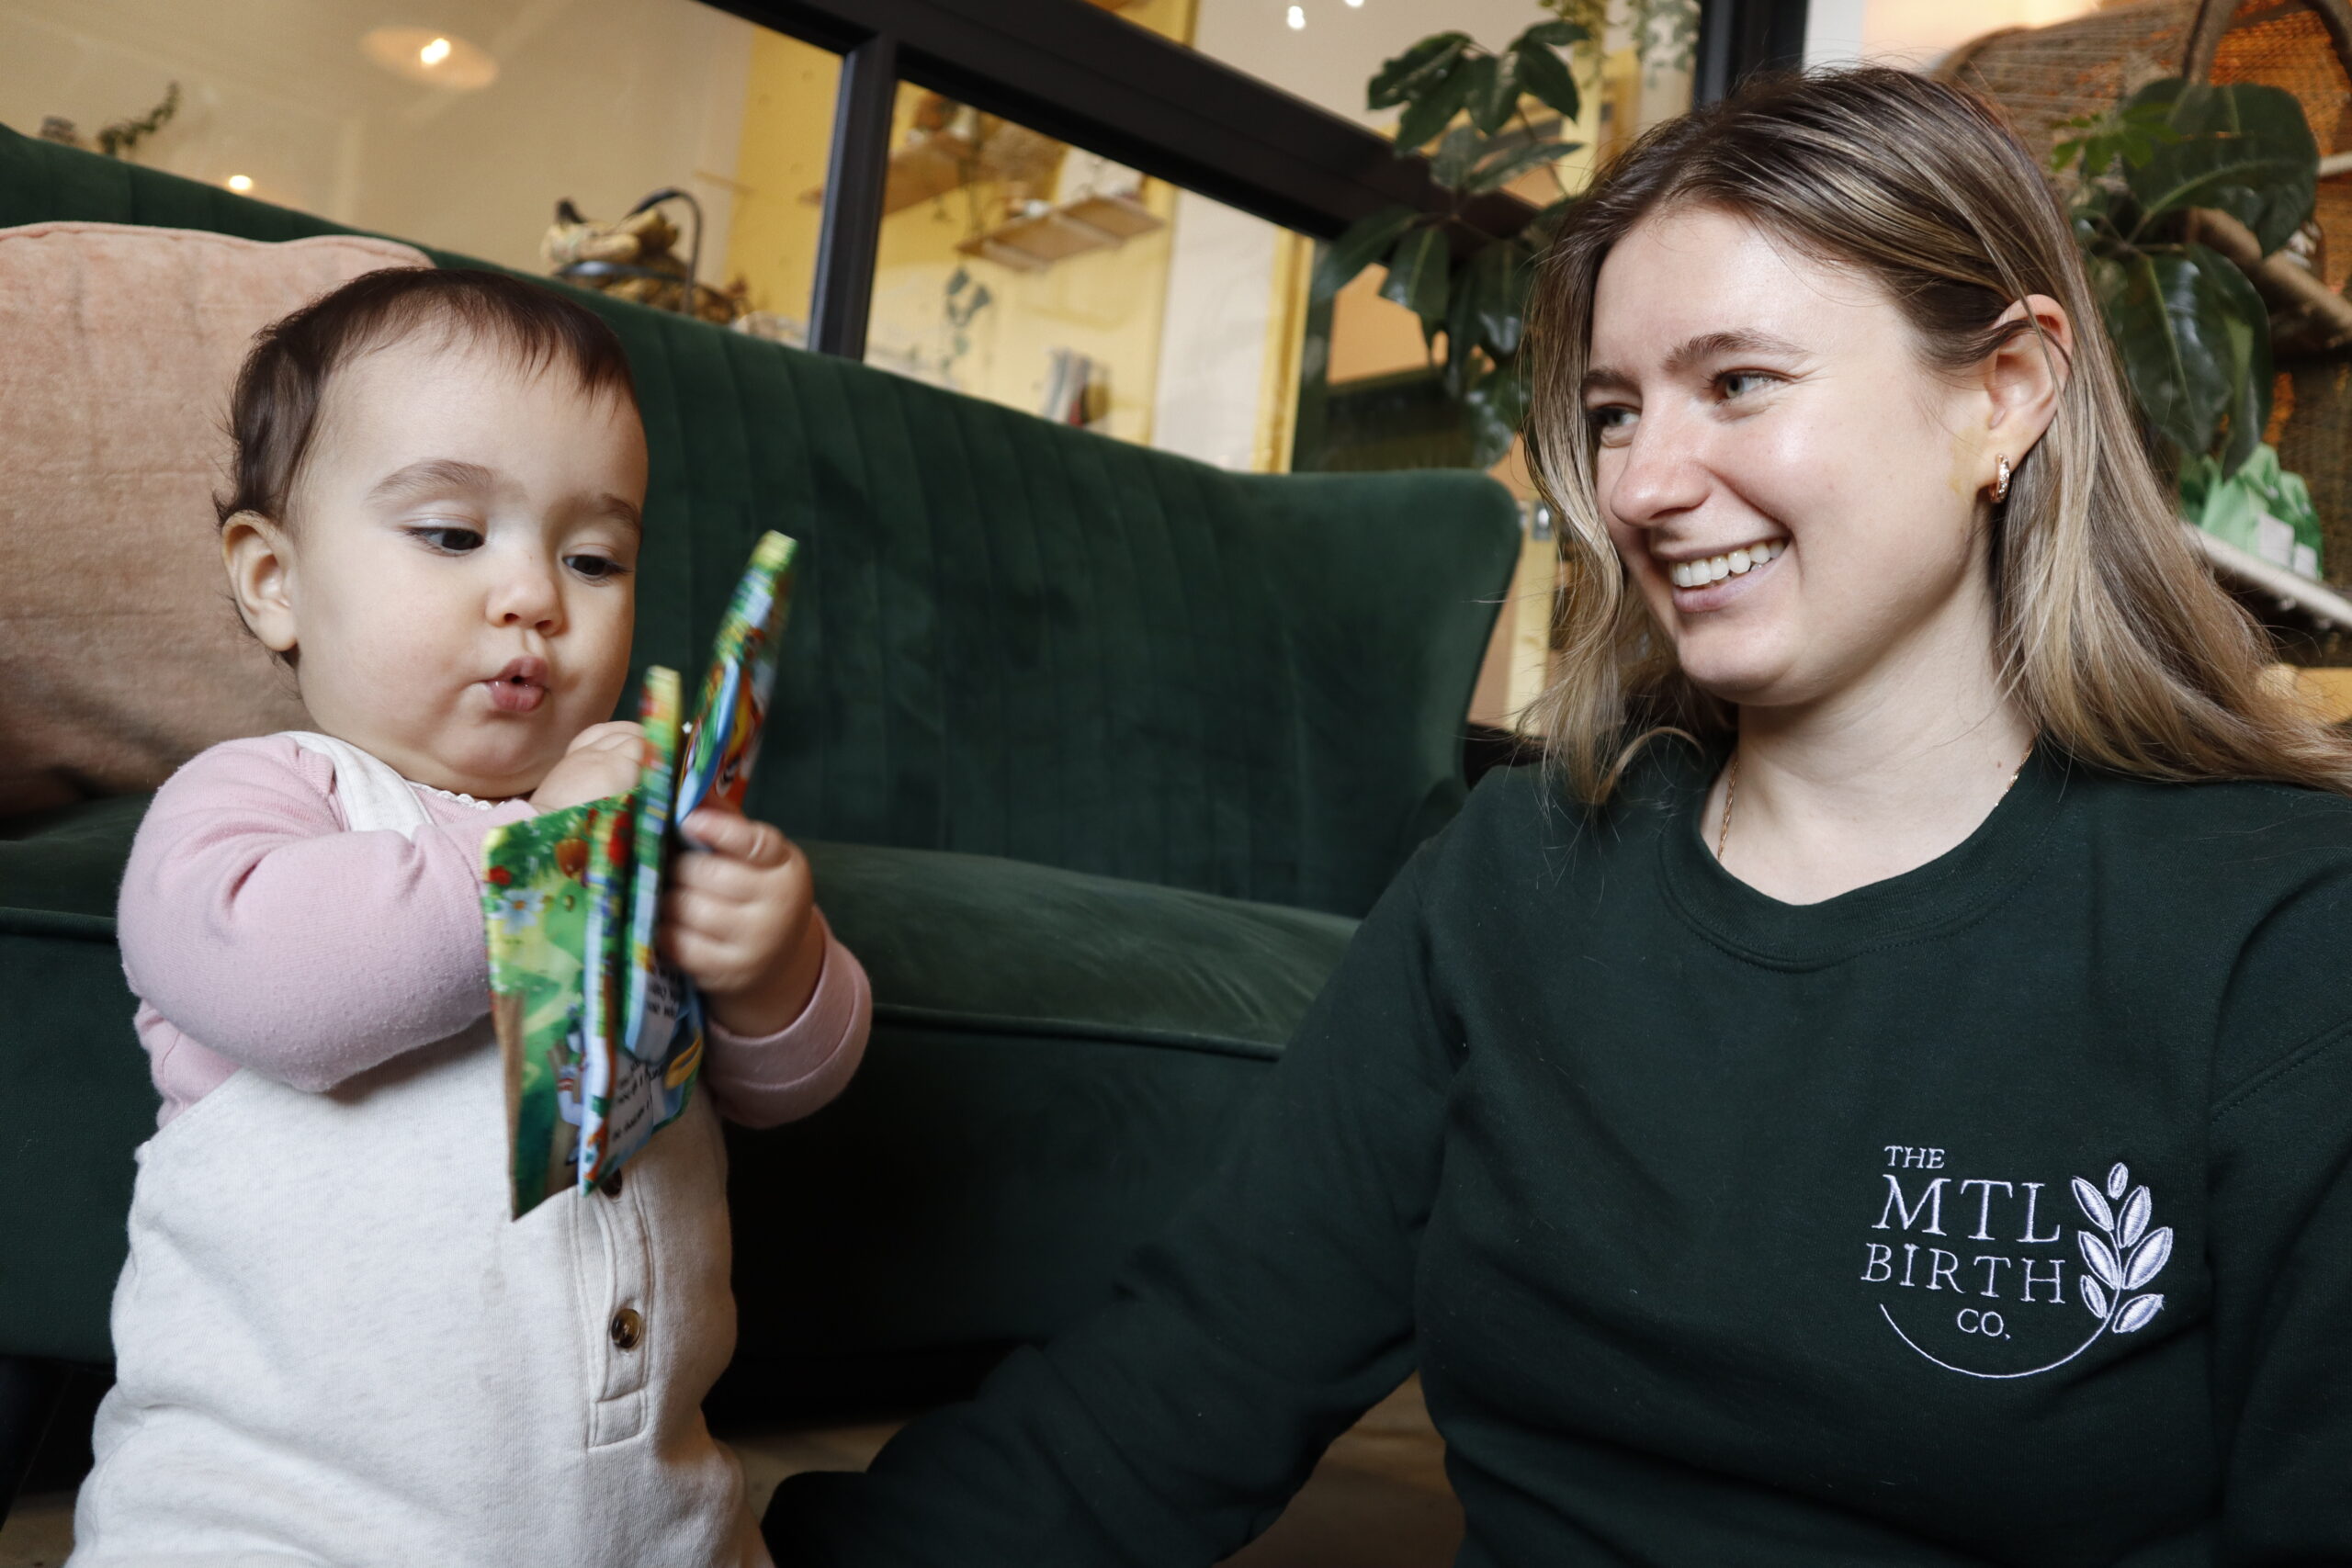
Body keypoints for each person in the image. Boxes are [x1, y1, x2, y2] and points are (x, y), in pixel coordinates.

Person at [763, 67, 2352, 1564]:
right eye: (1611, 410)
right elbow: (1177, 1384)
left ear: (2003, 394)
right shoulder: (1516, 878)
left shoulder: (2282, 936)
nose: (1645, 483)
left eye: (1737, 383)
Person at [74, 267, 871, 1567]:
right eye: (452, 535)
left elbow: (787, 1086)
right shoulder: (267, 800)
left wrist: (777, 962)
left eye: (592, 556)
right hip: (279, 1529)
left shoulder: (639, 829)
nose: (533, 597)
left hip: (653, 1527)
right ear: (273, 579)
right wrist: (547, 852)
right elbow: (288, 990)